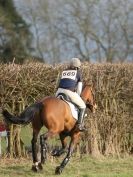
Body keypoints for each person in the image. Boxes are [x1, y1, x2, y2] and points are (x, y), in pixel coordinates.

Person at [55, 58, 86, 131]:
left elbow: (58, 83)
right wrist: (78, 96)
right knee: (83, 106)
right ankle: (79, 125)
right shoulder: (78, 73)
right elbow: (79, 88)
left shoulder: (64, 71)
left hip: (58, 92)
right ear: (78, 66)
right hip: (69, 92)